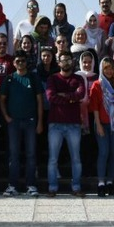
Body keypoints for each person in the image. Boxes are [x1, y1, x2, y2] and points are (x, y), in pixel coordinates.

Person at [0, 50, 43, 197]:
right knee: (14, 155)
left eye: (23, 61)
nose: (20, 63)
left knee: (31, 154)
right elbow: (2, 99)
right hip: (14, 122)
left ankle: (31, 185)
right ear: (13, 63)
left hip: (30, 121)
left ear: (27, 62)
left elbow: (39, 101)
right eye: (17, 61)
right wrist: (6, 116)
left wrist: (40, 122)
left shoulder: (33, 78)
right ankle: (12, 185)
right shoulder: (9, 79)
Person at [45, 52, 86, 197]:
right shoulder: (53, 78)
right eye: (63, 60)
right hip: (55, 124)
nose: (66, 62)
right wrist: (71, 98)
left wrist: (64, 96)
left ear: (72, 61)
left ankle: (76, 187)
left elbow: (80, 95)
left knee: (76, 158)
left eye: (68, 60)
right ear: (58, 62)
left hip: (73, 124)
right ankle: (52, 188)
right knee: (53, 158)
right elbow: (51, 97)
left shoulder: (79, 78)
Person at [89, 56, 114, 197]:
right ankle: (101, 183)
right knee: (103, 152)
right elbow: (95, 108)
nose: (109, 71)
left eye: (111, 68)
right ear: (101, 69)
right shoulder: (97, 85)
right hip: (102, 123)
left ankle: (110, 182)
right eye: (106, 68)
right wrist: (98, 125)